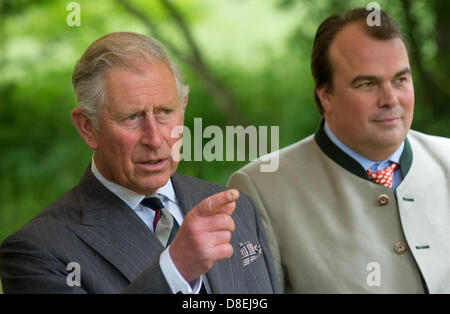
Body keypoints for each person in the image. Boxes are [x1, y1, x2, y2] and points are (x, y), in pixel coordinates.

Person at [0, 32, 279, 294]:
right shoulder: (37, 250)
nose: (155, 139)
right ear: (87, 127)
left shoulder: (237, 209)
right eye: (132, 117)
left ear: (183, 109)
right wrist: (174, 270)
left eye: (165, 112)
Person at [228, 8, 450, 293]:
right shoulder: (261, 190)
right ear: (326, 96)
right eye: (368, 84)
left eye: (400, 80)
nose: (390, 99)